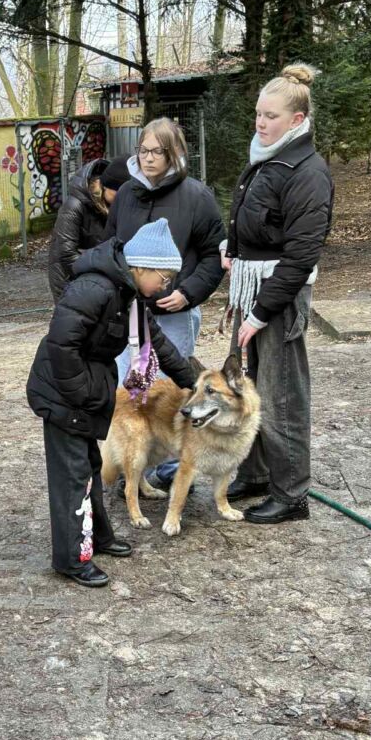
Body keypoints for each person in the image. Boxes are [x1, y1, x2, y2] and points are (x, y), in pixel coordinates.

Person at [26, 219, 199, 587]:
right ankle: (72, 559)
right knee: (72, 476)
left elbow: (158, 344)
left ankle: (98, 537)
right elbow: (61, 345)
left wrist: (193, 384)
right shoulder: (94, 288)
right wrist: (80, 394)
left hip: (86, 392)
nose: (165, 286)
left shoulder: (128, 295)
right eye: (164, 278)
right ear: (141, 267)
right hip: (63, 394)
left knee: (90, 466)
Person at [223, 64, 334, 524]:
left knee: (281, 393)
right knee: (245, 385)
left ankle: (291, 495)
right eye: (258, 114)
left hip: (279, 298)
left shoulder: (308, 172)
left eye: (270, 116)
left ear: (296, 120)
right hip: (252, 287)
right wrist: (234, 248)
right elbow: (258, 221)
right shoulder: (268, 157)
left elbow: (301, 256)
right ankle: (256, 473)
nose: (260, 123)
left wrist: (260, 314)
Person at [105, 116, 225, 487]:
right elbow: (110, 246)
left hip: (174, 313)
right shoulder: (126, 195)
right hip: (130, 311)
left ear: (174, 153)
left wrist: (188, 292)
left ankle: (171, 467)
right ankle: (133, 466)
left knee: (168, 391)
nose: (149, 158)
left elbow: (213, 256)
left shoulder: (196, 196)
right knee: (129, 390)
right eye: (143, 150)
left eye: (158, 151)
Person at [47, 158, 109, 300]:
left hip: (90, 276)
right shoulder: (73, 206)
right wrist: (100, 271)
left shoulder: (104, 208)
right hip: (68, 278)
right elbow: (66, 252)